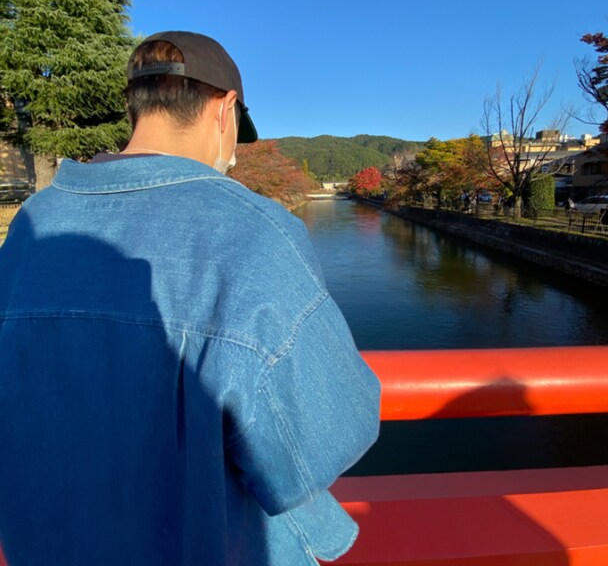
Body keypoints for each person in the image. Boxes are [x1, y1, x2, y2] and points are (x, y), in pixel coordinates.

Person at [0, 31, 380, 566]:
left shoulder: (33, 224)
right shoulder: (255, 230)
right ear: (224, 110)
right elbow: (323, 440)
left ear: (135, 106)